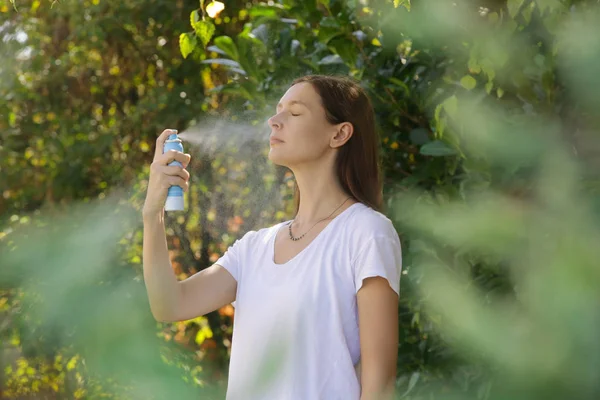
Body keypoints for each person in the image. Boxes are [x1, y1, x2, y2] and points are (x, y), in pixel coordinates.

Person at [142, 75, 402, 400]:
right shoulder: (254, 248)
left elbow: (379, 387)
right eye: (278, 110)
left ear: (339, 133)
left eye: (294, 113)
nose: (274, 121)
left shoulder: (366, 233)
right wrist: (152, 215)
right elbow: (169, 305)